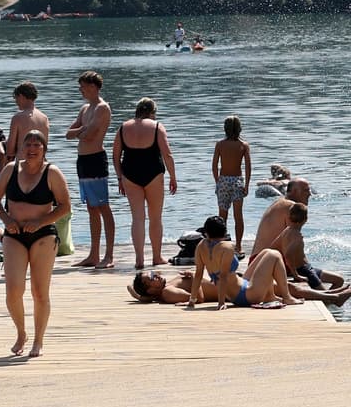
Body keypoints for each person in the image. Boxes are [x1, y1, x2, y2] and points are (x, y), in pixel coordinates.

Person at [0, 129, 71, 357]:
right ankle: (21, 332)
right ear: (22, 148)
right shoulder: (11, 169)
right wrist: (6, 220)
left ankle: (38, 340)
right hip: (14, 233)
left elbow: (65, 206)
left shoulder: (52, 172)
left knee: (39, 290)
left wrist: (41, 221)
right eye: (28, 145)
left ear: (44, 149)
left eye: (37, 145)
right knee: (14, 289)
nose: (32, 149)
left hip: (43, 234)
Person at [112, 97, 177, 269]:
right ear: (152, 112)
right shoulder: (156, 127)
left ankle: (139, 259)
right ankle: (156, 257)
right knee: (155, 217)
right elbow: (167, 155)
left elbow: (115, 156)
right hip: (153, 174)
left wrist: (119, 177)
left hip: (130, 175)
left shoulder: (123, 128)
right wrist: (173, 177)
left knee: (137, 218)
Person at [188, 215, 302, 309]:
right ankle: (287, 297)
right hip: (247, 295)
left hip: (239, 290)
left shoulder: (201, 246)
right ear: (224, 232)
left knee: (266, 252)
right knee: (275, 254)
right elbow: (223, 276)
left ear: (206, 232)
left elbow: (198, 274)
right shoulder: (226, 247)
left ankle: (270, 296)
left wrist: (192, 300)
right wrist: (221, 303)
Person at [66, 71, 115, 268]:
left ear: (93, 87)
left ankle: (109, 255)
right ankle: (93, 254)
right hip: (82, 160)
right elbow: (69, 134)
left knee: (103, 206)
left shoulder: (102, 108)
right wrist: (81, 130)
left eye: (83, 87)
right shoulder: (85, 108)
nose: (81, 90)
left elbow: (90, 134)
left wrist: (81, 131)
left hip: (96, 159)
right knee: (91, 208)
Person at [129, 264, 351, 307]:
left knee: (285, 287)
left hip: (234, 283)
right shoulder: (167, 292)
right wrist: (196, 278)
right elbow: (196, 299)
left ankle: (333, 294)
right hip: (234, 293)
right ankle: (333, 297)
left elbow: (134, 291)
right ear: (152, 290)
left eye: (152, 274)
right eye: (152, 279)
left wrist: (141, 297)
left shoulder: (162, 287)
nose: (156, 276)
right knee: (286, 289)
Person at [272, 202, 345, 290]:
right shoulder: (297, 236)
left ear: (289, 217)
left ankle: (331, 302)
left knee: (339, 280)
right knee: (326, 295)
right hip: (303, 271)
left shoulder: (286, 231)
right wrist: (296, 275)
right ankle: (332, 301)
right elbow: (288, 254)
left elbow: (272, 248)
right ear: (305, 219)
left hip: (308, 268)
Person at [212, 115, 251, 258]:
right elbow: (248, 167)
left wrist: (218, 181)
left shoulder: (220, 144)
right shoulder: (243, 145)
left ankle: (220, 245)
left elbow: (215, 165)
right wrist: (246, 184)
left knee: (222, 216)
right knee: (238, 216)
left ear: (225, 129)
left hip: (223, 181)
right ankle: (238, 246)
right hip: (237, 181)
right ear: (240, 129)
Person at [249, 178, 311, 261]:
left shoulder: (280, 202)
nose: (309, 194)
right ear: (294, 191)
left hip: (258, 259)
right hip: (268, 262)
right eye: (306, 190)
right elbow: (292, 245)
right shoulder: (291, 207)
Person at [6, 82, 49, 162]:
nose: (16, 102)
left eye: (16, 98)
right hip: (41, 165)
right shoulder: (44, 118)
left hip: (23, 165)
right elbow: (44, 147)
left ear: (21, 96)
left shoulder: (17, 118)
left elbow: (10, 151)